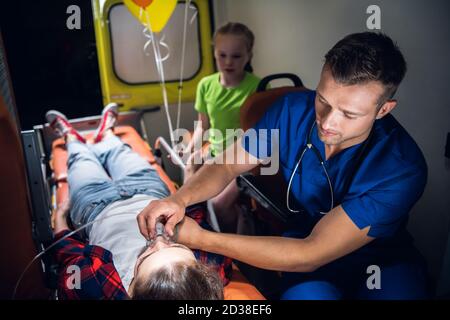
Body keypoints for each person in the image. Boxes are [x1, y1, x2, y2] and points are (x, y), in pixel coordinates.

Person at [137, 32, 431, 299]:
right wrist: (178, 199)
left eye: (349, 114)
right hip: (304, 241)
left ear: (383, 109)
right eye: (323, 100)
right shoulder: (291, 110)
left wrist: (202, 239)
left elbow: (311, 253)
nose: (327, 123)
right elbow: (226, 166)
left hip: (381, 259)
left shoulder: (402, 167)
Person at [46, 105, 231, 300]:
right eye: (176, 246)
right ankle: (107, 133)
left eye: (148, 255)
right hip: (149, 191)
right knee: (120, 152)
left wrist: (59, 218)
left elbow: (69, 256)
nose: (157, 239)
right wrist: (186, 186)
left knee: (80, 159)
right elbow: (197, 219)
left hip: (95, 207)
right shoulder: (208, 267)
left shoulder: (94, 287)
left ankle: (70, 138)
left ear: (131, 290)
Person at [181, 22, 261, 232]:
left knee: (218, 205)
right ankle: (193, 224)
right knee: (188, 174)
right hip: (215, 154)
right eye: (222, 55)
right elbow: (203, 126)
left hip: (244, 160)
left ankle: (230, 250)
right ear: (214, 53)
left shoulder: (257, 88)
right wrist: (193, 148)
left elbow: (258, 137)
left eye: (236, 56)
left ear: (248, 55)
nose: (228, 62)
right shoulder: (206, 85)